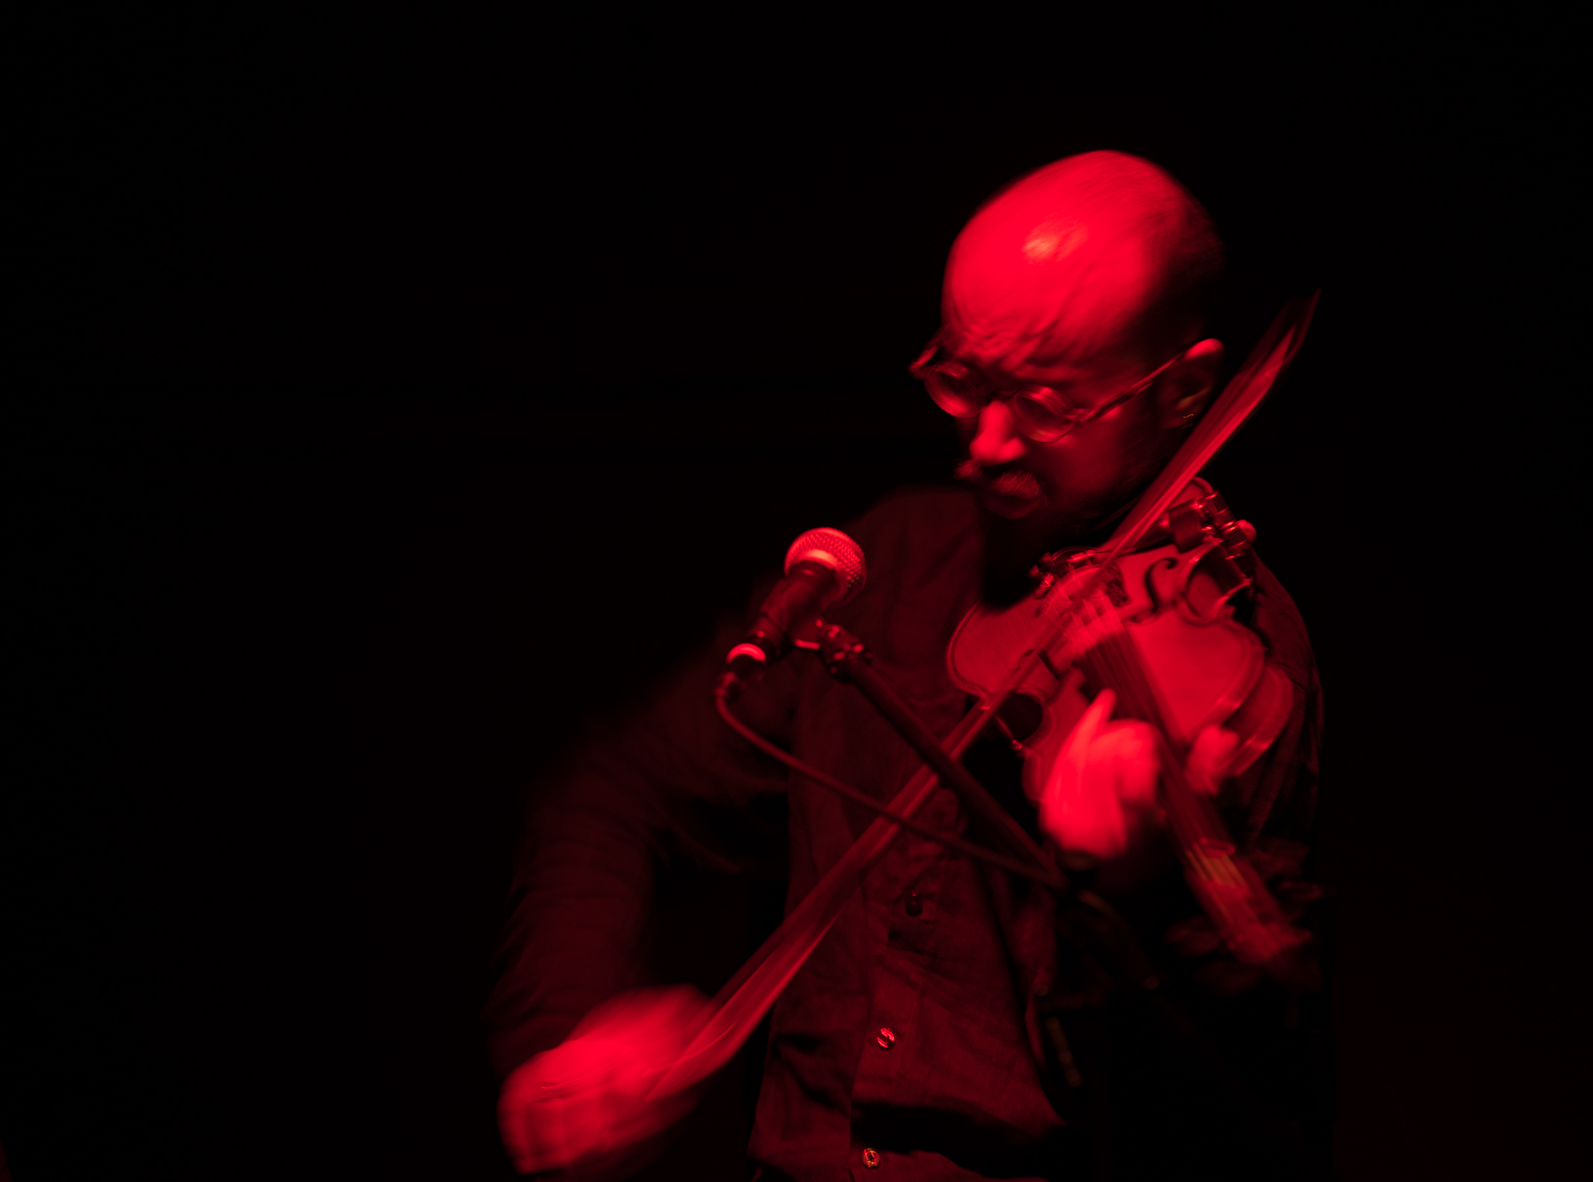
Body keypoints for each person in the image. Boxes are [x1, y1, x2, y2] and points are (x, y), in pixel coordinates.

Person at [484, 150, 1325, 1181]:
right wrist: (571, 1031)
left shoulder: (1236, 658)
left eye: (1046, 404)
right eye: (962, 380)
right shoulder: (889, 566)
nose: (987, 442)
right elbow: (620, 788)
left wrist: (1138, 894)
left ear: (1184, 389)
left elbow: (1248, 1073)